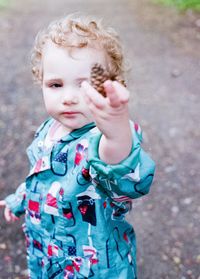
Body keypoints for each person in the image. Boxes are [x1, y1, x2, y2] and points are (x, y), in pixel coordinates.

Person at [0, 13, 155, 279]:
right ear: (41, 83)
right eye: (56, 85)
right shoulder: (49, 129)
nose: (69, 98)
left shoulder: (102, 138)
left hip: (92, 267)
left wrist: (117, 131)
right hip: (46, 254)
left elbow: (124, 175)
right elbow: (41, 179)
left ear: (109, 88)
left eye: (84, 85)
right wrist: (20, 200)